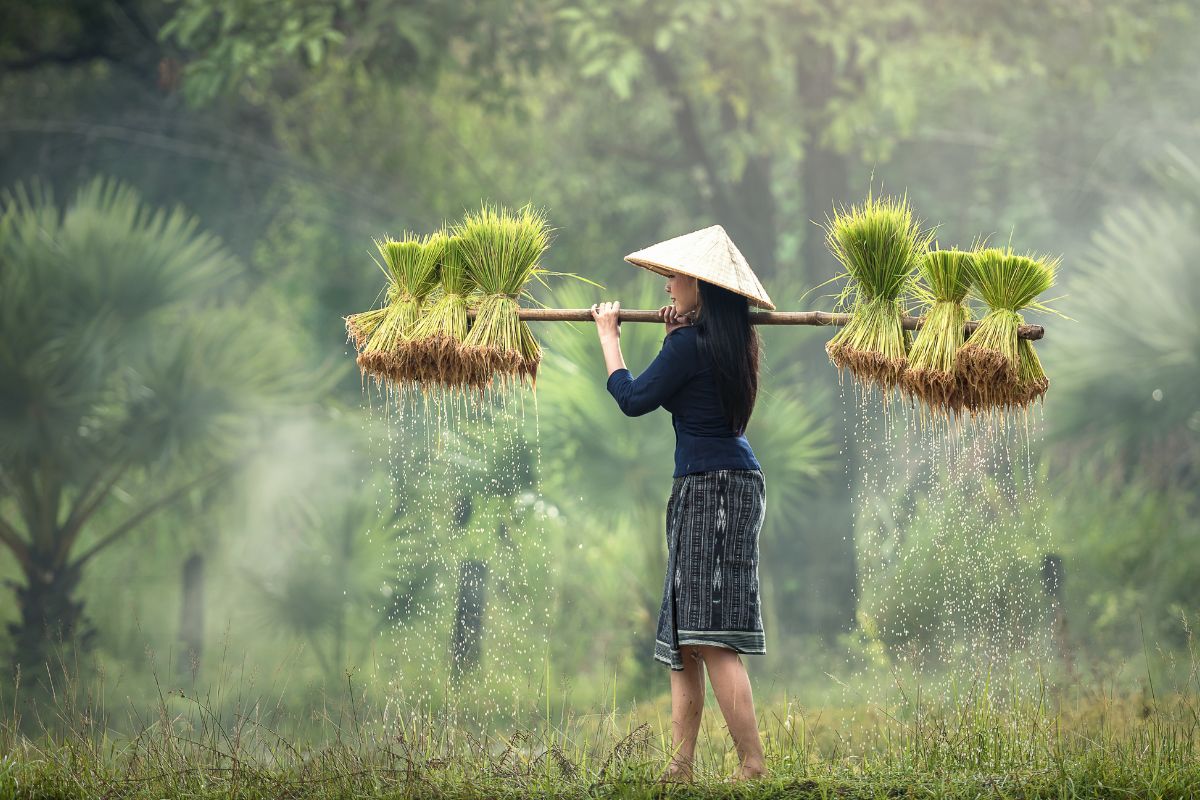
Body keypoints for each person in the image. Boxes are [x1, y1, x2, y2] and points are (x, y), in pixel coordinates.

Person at [589, 225, 775, 784]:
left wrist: (608, 335)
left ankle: (753, 765)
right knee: (685, 634)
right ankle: (681, 767)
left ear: (702, 285)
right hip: (726, 483)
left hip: (711, 488)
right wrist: (674, 337)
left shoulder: (690, 346)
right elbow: (685, 379)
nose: (667, 285)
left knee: (709, 636)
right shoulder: (729, 343)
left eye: (675, 277)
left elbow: (633, 398)